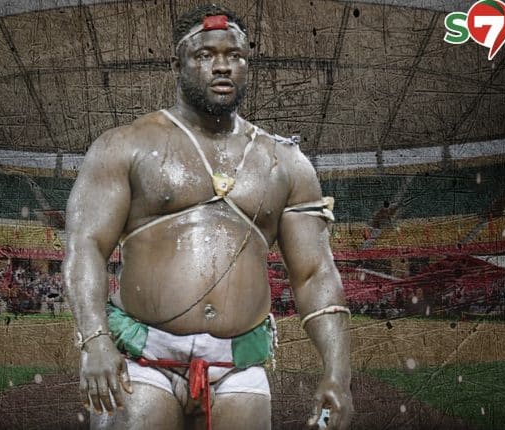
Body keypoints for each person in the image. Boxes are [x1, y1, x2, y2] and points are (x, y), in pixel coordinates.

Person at [63, 4, 352, 429]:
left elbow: (315, 274)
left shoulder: (285, 162)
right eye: (205, 55)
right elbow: (86, 245)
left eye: (235, 55)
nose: (222, 66)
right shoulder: (124, 145)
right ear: (176, 64)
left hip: (238, 365)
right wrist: (94, 339)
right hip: (141, 357)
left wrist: (337, 375)